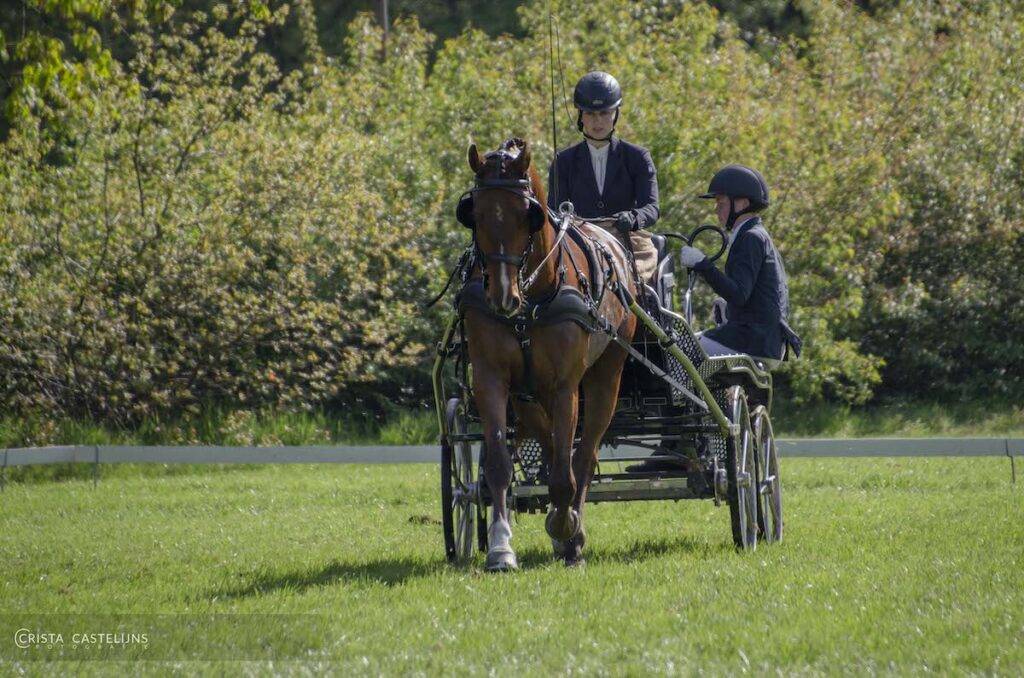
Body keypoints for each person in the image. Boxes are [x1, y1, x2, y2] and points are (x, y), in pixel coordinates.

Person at [679, 164, 802, 362]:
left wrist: (702, 264)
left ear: (742, 203)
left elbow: (739, 295)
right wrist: (729, 311)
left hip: (754, 340)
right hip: (760, 339)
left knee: (679, 350)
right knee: (687, 345)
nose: (716, 209)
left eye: (721, 203)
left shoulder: (751, 237)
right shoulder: (754, 234)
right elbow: (752, 296)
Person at [547, 71, 660, 284]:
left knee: (635, 277)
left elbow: (652, 207)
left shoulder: (638, 157)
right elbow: (554, 210)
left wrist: (633, 218)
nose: (597, 121)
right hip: (580, 239)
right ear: (581, 116)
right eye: (590, 114)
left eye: (604, 113)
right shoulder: (563, 161)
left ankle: (644, 304)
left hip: (627, 238)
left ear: (615, 114)